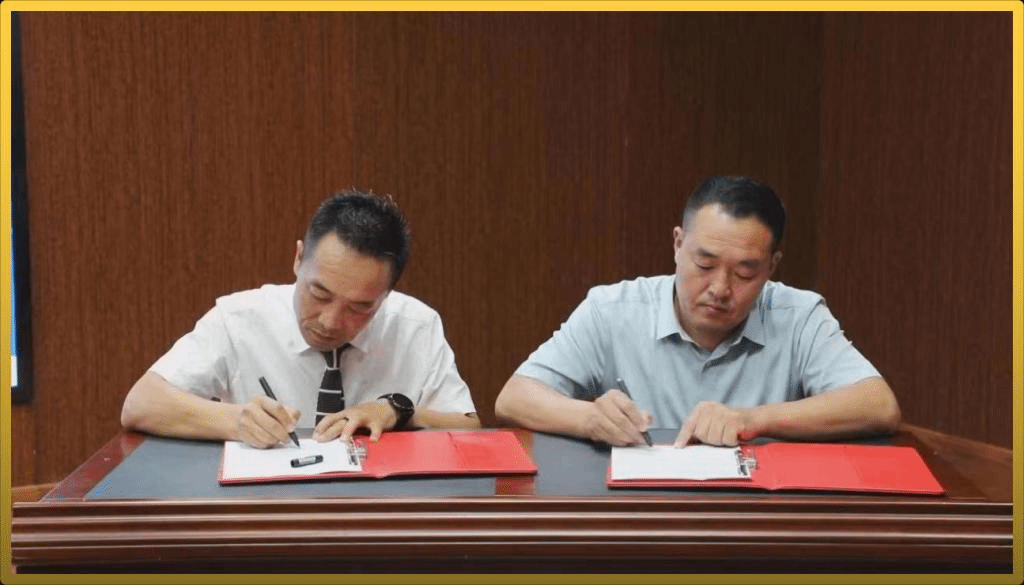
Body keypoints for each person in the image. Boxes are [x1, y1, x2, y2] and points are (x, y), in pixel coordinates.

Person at [495, 175, 900, 448]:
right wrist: (589, 418)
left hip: (757, 524)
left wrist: (752, 419)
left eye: (745, 273)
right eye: (704, 264)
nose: (720, 289)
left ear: (772, 267)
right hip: (642, 520)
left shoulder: (798, 315)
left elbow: (878, 405)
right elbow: (514, 398)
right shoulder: (613, 310)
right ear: (677, 244)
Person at [122, 190, 480, 448]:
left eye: (359, 308)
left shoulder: (416, 325)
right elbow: (140, 404)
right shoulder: (240, 319)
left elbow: (469, 428)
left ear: (386, 296)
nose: (330, 321)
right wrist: (235, 421)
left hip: (376, 517)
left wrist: (399, 412)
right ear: (298, 259)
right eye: (319, 294)